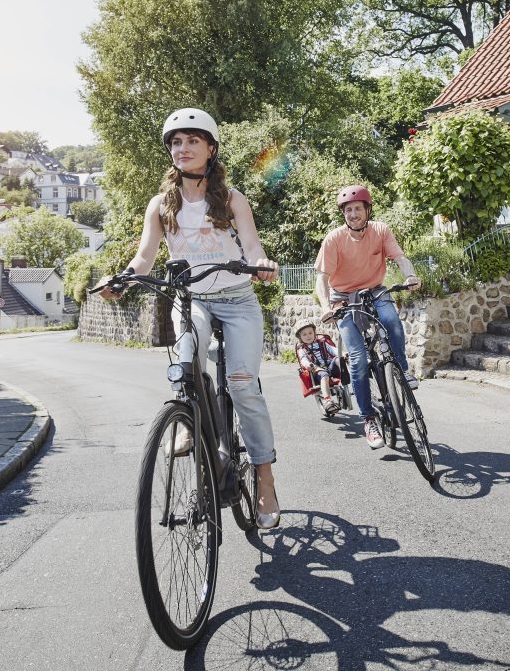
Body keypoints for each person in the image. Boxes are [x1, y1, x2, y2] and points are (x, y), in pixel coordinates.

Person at [100, 107, 281, 529]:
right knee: (186, 367)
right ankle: (187, 420)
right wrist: (123, 280)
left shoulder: (232, 198)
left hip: (237, 299)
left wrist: (262, 262)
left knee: (242, 386)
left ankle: (265, 477)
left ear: (210, 149)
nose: (183, 149)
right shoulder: (161, 204)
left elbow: (251, 245)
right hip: (192, 299)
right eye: (176, 142)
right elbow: (145, 256)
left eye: (192, 141)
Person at [314, 185, 420, 450]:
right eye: (348, 210)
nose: (353, 214)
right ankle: (368, 419)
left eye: (357, 209)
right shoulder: (334, 239)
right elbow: (322, 279)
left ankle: (403, 370)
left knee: (392, 321)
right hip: (343, 297)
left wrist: (410, 275)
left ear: (367, 210)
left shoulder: (380, 231)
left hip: (374, 290)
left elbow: (399, 257)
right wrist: (327, 306)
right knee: (359, 359)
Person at [293, 317, 342, 414]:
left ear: (314, 332)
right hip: (317, 371)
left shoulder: (322, 342)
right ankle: (328, 400)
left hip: (330, 367)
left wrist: (342, 354)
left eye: (310, 333)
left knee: (338, 359)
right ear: (300, 337)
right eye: (304, 334)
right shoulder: (302, 349)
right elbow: (303, 360)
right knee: (324, 375)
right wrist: (308, 365)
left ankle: (352, 377)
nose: (308, 336)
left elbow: (333, 350)